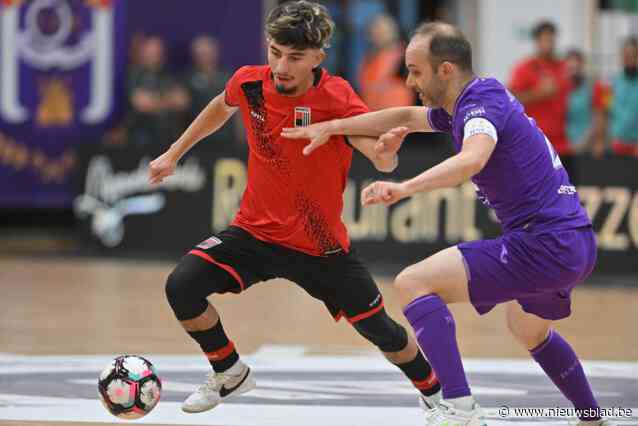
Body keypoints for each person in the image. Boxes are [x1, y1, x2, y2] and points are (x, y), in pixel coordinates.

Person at [283, 22, 611, 426]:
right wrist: (332, 127)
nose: (409, 80)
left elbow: (472, 159)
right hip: (575, 242)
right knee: (527, 329)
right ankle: (593, 419)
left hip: (544, 244)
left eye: (416, 71)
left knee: (413, 283)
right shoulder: (470, 101)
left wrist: (404, 188)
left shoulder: (478, 108)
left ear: (445, 70)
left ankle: (459, 408)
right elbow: (404, 114)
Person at [148, 0, 441, 416]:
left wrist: (386, 154)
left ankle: (435, 392)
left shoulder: (337, 97)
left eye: (295, 57)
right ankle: (229, 371)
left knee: (383, 332)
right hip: (253, 232)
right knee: (182, 286)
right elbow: (220, 106)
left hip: (320, 247)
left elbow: (376, 154)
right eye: (275, 52)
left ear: (318, 58)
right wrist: (173, 154)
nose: (282, 66)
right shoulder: (249, 83)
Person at [509, 21, 571, 156]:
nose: (549, 44)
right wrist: (539, 94)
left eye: (552, 40)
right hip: (534, 142)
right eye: (545, 40)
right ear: (537, 41)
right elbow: (511, 100)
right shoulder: (524, 68)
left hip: (562, 144)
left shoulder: (563, 67)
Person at [564, 49, 608, 159]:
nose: (574, 72)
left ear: (582, 66)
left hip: (588, 146)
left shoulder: (593, 86)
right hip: (565, 147)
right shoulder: (561, 88)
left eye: (577, 67)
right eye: (570, 68)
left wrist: (587, 142)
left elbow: (599, 117)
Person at [604, 36, 638, 157]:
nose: (630, 59)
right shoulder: (612, 83)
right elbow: (605, 111)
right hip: (616, 145)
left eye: (633, 55)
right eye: (627, 55)